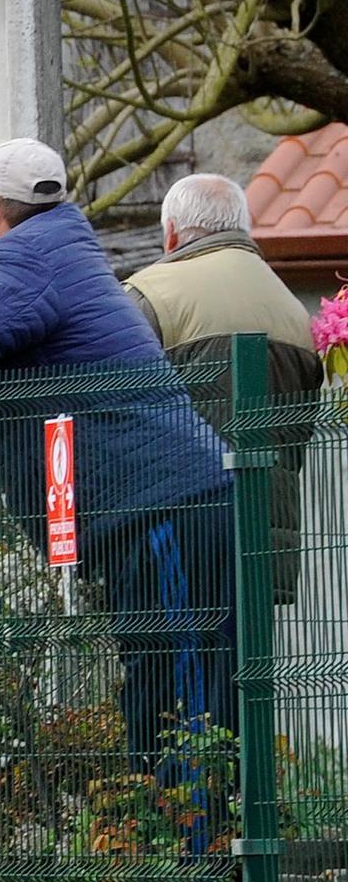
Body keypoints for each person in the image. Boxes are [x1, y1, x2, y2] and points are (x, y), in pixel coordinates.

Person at [0, 139, 234, 810]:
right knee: (176, 683)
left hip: (162, 507)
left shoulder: (26, 258)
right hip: (175, 498)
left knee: (180, 690)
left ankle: (195, 867)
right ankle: (184, 849)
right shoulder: (65, 250)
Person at [124, 173, 324, 604]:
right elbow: (299, 429)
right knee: (248, 666)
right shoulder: (292, 309)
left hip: (177, 535)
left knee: (178, 668)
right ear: (242, 227)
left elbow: (119, 413)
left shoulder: (149, 297)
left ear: (172, 234)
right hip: (267, 536)